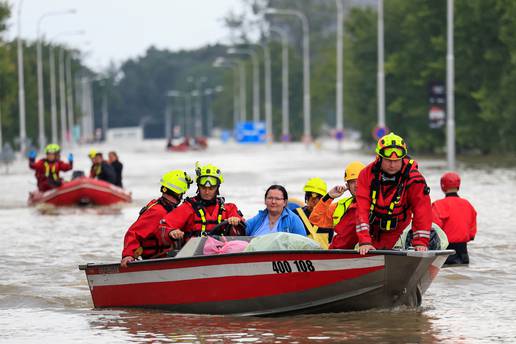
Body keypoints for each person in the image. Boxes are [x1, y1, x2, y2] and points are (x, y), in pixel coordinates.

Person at [355, 132, 432, 255]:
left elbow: (422, 211)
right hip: (370, 222)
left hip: (396, 227)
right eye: (388, 160)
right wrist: (364, 240)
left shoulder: (414, 179)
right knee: (347, 238)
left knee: (384, 252)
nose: (392, 165)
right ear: (379, 158)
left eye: (397, 161)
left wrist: (420, 243)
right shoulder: (366, 174)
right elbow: (361, 208)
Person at [121, 170, 193, 267]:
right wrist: (128, 255)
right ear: (180, 193)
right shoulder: (158, 212)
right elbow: (133, 233)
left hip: (167, 258)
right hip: (157, 260)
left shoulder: (166, 208)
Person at [163, 162, 245, 243]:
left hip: (222, 251)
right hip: (194, 253)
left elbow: (241, 224)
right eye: (203, 188)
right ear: (198, 187)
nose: (207, 192)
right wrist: (171, 232)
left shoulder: (229, 208)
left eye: (211, 188)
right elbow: (165, 225)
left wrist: (236, 220)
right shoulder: (187, 207)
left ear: (217, 188)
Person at [309, 161, 365, 249]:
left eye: (360, 181)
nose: (356, 185)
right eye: (352, 182)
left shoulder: (377, 204)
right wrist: (329, 196)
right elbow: (315, 219)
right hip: (339, 254)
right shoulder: (341, 206)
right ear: (347, 185)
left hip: (365, 254)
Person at [432, 172, 477, 265]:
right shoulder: (467, 204)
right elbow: (472, 231)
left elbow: (434, 228)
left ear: (442, 186)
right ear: (458, 186)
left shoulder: (438, 205)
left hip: (446, 252)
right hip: (463, 252)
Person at [293, 177, 332, 247]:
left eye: (318, 197)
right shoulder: (295, 215)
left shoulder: (329, 216)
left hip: (324, 257)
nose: (314, 200)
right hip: (302, 256)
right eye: (310, 196)